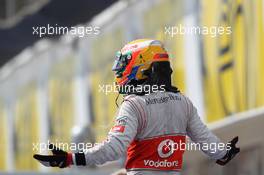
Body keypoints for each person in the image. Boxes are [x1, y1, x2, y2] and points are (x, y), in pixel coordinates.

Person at [33, 39, 240, 174]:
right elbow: (210, 145)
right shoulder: (184, 103)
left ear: (142, 67)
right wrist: (226, 152)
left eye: (124, 66)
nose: (119, 74)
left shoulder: (134, 105)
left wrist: (70, 158)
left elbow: (113, 149)